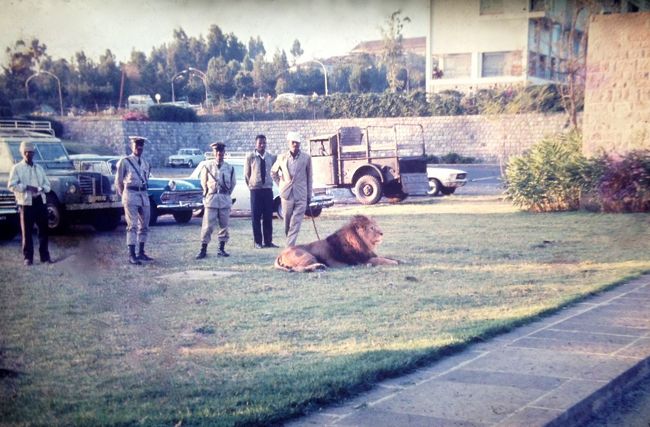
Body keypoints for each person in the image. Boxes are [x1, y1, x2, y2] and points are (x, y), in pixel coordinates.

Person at [8, 141, 53, 266]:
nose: (29, 155)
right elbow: (11, 185)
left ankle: (45, 257)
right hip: (26, 203)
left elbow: (47, 185)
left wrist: (42, 188)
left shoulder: (39, 168)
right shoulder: (17, 168)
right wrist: (26, 187)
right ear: (23, 153)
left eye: (32, 152)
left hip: (40, 202)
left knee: (43, 230)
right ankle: (28, 258)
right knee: (27, 232)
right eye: (27, 152)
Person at [115, 136, 153, 265]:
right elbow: (118, 181)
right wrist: (124, 196)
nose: (139, 148)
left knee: (145, 225)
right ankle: (131, 255)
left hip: (143, 194)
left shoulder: (146, 163)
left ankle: (141, 252)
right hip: (130, 193)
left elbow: (146, 179)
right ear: (132, 146)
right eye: (137, 146)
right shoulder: (125, 162)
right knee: (132, 226)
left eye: (141, 146)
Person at [271, 131, 313, 247]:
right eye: (293, 142)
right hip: (286, 195)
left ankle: (289, 247)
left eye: (297, 143)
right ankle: (289, 242)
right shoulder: (282, 157)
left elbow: (309, 177)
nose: (295, 145)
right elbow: (273, 172)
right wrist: (281, 185)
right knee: (287, 222)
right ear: (289, 143)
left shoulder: (306, 158)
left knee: (296, 222)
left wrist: (309, 195)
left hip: (301, 195)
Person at [196, 142, 236, 259]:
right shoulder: (207, 167)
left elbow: (232, 184)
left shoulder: (229, 168)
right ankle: (203, 249)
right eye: (217, 151)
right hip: (212, 199)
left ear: (224, 153)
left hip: (224, 199)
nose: (219, 153)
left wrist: (226, 195)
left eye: (221, 151)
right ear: (214, 152)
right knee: (207, 226)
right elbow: (203, 182)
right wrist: (207, 193)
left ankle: (221, 249)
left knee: (224, 226)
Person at [244, 134, 278, 249]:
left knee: (268, 216)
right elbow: (246, 175)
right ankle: (258, 242)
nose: (262, 145)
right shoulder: (250, 157)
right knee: (256, 217)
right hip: (255, 190)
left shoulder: (270, 157)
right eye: (260, 143)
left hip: (268, 190)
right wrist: (252, 185)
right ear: (256, 144)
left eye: (264, 143)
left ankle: (268, 241)